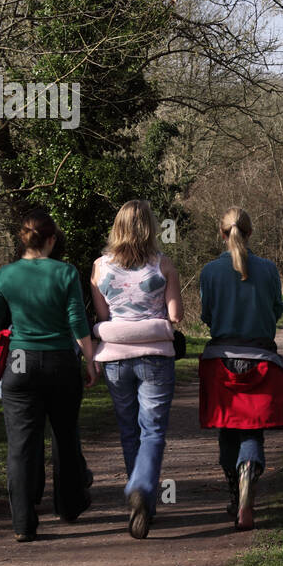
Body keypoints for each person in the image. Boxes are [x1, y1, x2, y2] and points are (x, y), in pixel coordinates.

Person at [0, 209, 96, 542]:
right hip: (60, 361)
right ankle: (69, 505)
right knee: (64, 435)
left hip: (18, 362)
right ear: (51, 239)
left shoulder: (5, 276)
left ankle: (23, 523)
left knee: (21, 445)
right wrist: (91, 361)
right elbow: (77, 322)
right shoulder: (66, 273)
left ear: (22, 239)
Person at [90, 200, 181, 539]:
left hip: (115, 356)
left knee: (129, 430)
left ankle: (139, 497)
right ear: (150, 229)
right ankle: (142, 487)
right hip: (155, 354)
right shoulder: (163, 264)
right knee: (153, 430)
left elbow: (103, 317)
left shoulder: (99, 268)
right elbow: (175, 316)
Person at [198, 207, 283, 529]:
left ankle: (233, 489)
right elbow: (277, 308)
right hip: (262, 359)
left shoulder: (210, 271)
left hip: (221, 360)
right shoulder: (268, 269)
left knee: (228, 425)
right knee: (252, 427)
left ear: (222, 234)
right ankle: (249, 466)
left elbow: (207, 316)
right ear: (250, 234)